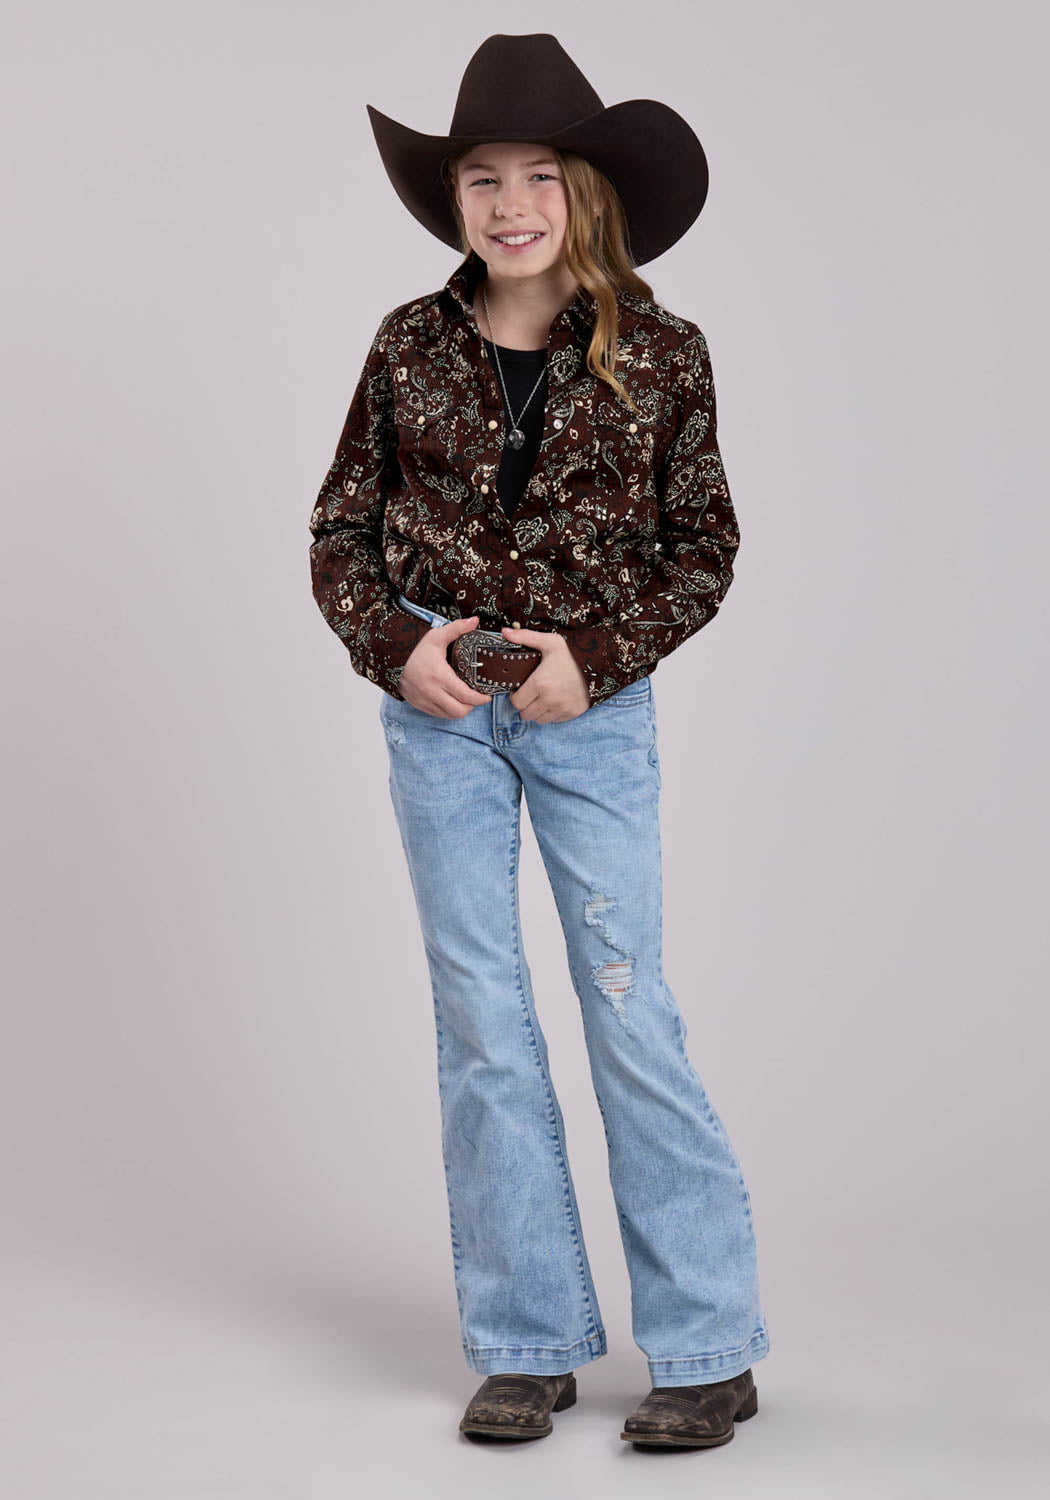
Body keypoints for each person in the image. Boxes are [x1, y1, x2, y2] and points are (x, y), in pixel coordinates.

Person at [309, 32, 770, 1449]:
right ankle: (526, 1343)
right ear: (454, 199)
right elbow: (339, 529)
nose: (509, 206)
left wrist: (596, 658)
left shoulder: (663, 354)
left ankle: (706, 1346)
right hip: (440, 717)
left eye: (538, 178)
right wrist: (396, 646)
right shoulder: (407, 344)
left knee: (627, 1004)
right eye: (482, 180)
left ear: (587, 194)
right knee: (482, 1022)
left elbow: (703, 548)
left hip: (590, 717)